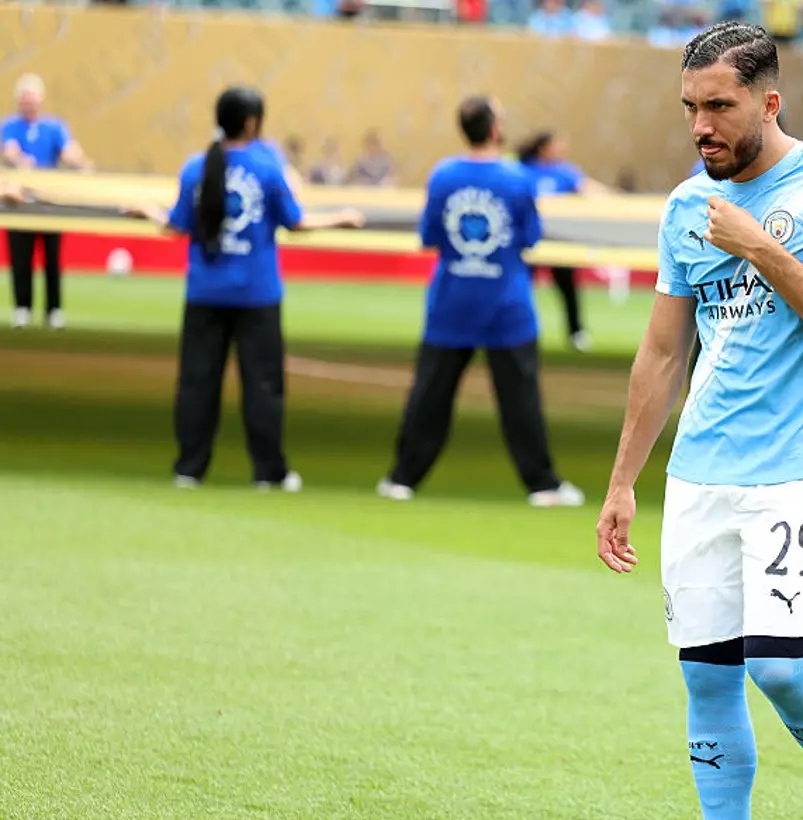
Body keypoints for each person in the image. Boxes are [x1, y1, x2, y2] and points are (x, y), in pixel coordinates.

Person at [595, 22, 803, 820]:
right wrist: (622, 480)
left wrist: (760, 244)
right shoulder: (689, 205)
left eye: (719, 106)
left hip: (800, 467)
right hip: (703, 472)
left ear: (769, 100)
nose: (701, 126)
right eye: (689, 108)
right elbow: (660, 350)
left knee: (781, 667)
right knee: (709, 674)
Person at [124, 86, 364, 491]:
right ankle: (269, 472)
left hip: (204, 292)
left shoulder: (195, 168)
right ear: (253, 122)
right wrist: (340, 217)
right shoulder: (267, 168)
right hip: (257, 295)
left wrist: (146, 210)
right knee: (263, 386)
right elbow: (296, 222)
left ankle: (189, 468)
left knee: (197, 383)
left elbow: (175, 226)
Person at [377, 96, 584, 509]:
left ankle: (402, 479)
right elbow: (530, 239)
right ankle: (541, 485)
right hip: (507, 307)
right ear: (493, 128)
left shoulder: (443, 175)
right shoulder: (516, 178)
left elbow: (429, 237)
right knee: (520, 401)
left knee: (429, 397)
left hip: (450, 302)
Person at [2, 73, 93, 331]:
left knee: (52, 258)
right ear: (18, 100)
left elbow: (68, 150)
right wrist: (22, 163)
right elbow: (10, 151)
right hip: (17, 203)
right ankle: (22, 309)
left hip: (49, 203)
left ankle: (53, 310)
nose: (28, 102)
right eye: (24, 98)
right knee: (20, 258)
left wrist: (81, 163)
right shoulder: (10, 125)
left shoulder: (54, 127)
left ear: (40, 99)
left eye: (32, 97)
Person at [517, 130, 612, 352]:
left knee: (568, 287)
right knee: (521, 287)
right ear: (543, 147)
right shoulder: (523, 170)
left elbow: (590, 189)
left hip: (559, 243)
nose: (561, 149)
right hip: (529, 242)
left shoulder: (565, 172)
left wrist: (616, 199)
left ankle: (576, 332)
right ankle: (520, 331)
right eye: (556, 145)